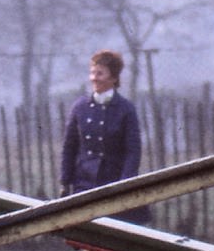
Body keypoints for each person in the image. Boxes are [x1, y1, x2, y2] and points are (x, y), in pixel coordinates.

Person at [60, 49, 152, 226]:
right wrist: (65, 181)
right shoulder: (80, 107)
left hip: (114, 182)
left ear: (114, 78)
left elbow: (133, 150)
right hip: (84, 183)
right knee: (84, 232)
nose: (94, 78)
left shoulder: (125, 109)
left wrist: (125, 184)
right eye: (92, 72)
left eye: (100, 73)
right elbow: (69, 147)